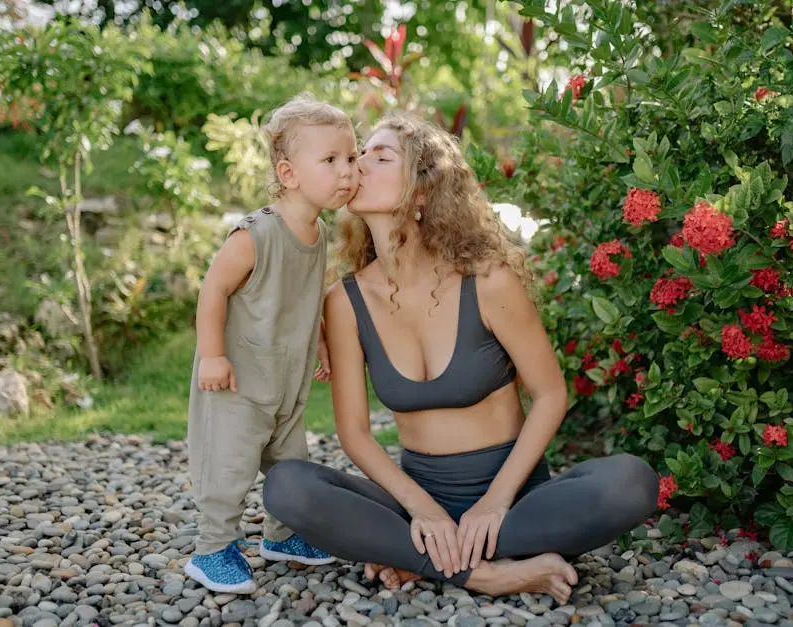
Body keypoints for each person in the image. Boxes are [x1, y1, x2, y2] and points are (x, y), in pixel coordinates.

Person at [263, 111, 659, 605]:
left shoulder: (488, 281)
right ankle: (484, 571)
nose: (358, 164)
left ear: (423, 191)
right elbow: (355, 435)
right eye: (357, 154)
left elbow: (551, 394)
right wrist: (423, 512)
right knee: (288, 486)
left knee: (630, 482)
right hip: (418, 501)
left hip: (514, 501)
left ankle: (423, 559)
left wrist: (494, 504)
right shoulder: (344, 302)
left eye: (379, 156)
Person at [184, 95, 358, 594]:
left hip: (285, 381)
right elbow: (213, 290)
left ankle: (283, 535)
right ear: (288, 174)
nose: (347, 171)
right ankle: (212, 547)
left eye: (351, 157)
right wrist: (213, 354)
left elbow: (306, 296)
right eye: (330, 160)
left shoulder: (318, 233)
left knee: (292, 465)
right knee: (229, 469)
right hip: (238, 380)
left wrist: (322, 342)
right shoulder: (257, 234)